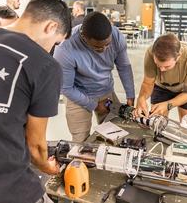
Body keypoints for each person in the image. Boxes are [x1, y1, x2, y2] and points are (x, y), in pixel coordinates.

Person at [0, 0, 71, 203]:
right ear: (51, 26)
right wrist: (47, 166)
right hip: (5, 188)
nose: (51, 49)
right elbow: (35, 146)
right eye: (56, 43)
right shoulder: (45, 65)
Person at [54, 11, 135, 142]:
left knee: (116, 134)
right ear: (84, 37)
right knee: (80, 141)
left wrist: (130, 95)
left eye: (107, 44)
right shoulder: (65, 48)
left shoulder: (116, 35)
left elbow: (124, 67)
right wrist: (94, 105)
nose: (104, 50)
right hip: (78, 94)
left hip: (106, 90)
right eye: (98, 48)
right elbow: (66, 88)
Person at [135, 33, 187, 120]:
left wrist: (168, 105)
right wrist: (141, 98)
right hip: (161, 86)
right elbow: (148, 83)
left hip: (184, 90)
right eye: (158, 65)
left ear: (178, 57)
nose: (162, 70)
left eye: (167, 66)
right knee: (157, 122)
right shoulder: (150, 53)